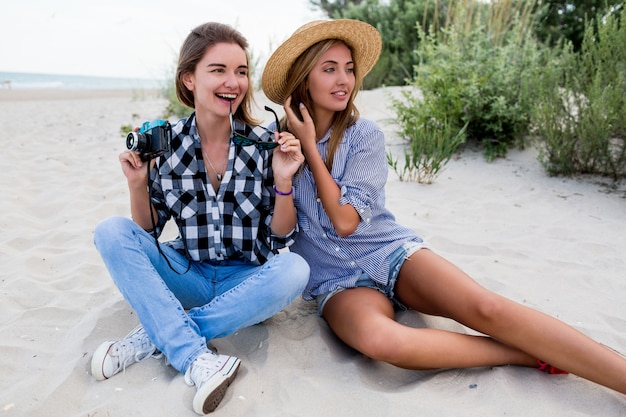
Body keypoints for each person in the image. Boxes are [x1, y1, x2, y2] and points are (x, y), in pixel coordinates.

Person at [260, 19, 626, 397]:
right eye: (329, 69)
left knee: (486, 309)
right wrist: (286, 177)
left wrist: (313, 153)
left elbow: (346, 221)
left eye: (349, 69)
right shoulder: (276, 148)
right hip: (338, 282)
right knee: (385, 344)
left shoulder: (364, 136)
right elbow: (283, 233)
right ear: (304, 80)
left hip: (390, 254)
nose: (344, 80)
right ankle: (524, 355)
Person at [91, 22, 310, 415]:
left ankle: (163, 335)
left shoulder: (262, 141)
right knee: (110, 231)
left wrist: (282, 179)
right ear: (189, 79)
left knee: (294, 268)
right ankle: (188, 346)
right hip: (187, 275)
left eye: (241, 71)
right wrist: (137, 184)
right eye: (218, 70)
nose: (233, 82)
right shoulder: (166, 144)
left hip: (246, 282)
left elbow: (281, 236)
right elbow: (147, 232)